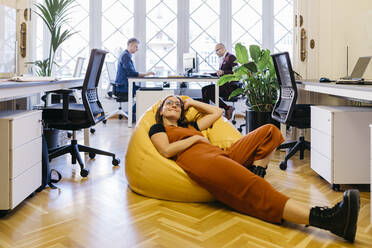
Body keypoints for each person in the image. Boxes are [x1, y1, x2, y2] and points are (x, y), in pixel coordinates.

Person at [149, 95, 360, 243]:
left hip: (220, 153)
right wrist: (194, 139)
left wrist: (191, 102)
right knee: (254, 188)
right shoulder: (159, 128)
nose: (174, 106)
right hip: (201, 159)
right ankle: (327, 220)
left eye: (178, 104)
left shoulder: (191, 126)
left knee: (270, 130)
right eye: (169, 103)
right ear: (160, 110)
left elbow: (218, 111)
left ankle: (256, 173)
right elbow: (166, 150)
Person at [115, 38, 154, 120]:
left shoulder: (126, 55)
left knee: (142, 91)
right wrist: (146, 74)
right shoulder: (125, 56)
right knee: (143, 93)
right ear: (130, 45)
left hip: (123, 85)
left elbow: (131, 73)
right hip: (123, 87)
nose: (137, 49)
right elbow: (131, 73)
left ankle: (130, 113)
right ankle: (130, 113)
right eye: (136, 47)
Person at [202, 43, 239, 120]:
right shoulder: (223, 59)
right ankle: (205, 112)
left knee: (208, 91)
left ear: (222, 49)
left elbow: (237, 72)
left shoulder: (231, 57)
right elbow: (219, 73)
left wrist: (224, 72)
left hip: (229, 87)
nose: (216, 53)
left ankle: (227, 108)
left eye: (217, 50)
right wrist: (209, 74)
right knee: (204, 89)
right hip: (223, 85)